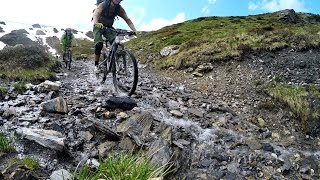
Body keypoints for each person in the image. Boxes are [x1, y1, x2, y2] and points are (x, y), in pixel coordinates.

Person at [92, 0, 137, 73]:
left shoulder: (119, 9)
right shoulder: (103, 5)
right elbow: (95, 14)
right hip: (98, 26)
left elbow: (127, 20)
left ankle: (118, 63)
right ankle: (96, 66)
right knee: (98, 44)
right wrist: (96, 23)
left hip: (109, 28)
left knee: (118, 44)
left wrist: (135, 30)